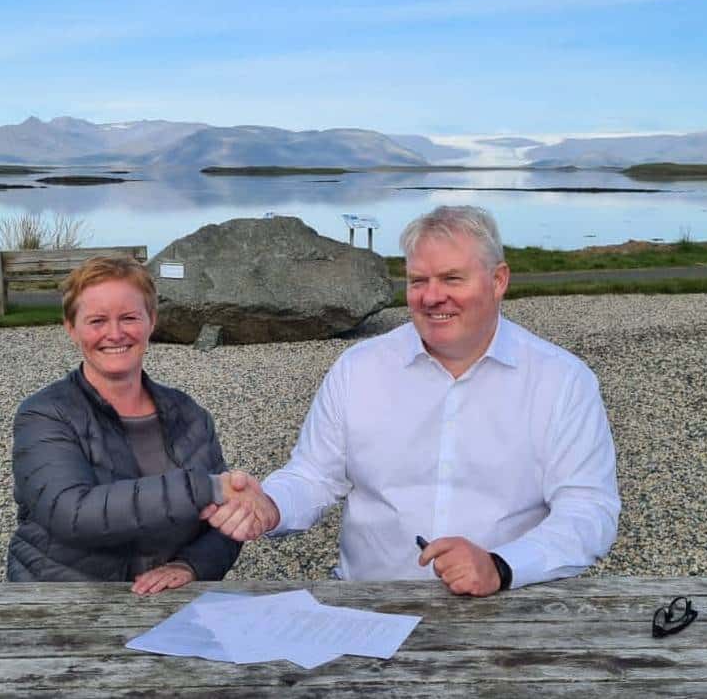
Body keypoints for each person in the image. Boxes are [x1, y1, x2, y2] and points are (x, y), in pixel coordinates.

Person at [203, 205, 620, 596]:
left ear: (498, 281)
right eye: (418, 280)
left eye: (452, 279)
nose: (431, 296)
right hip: (371, 604)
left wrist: (502, 565)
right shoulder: (358, 369)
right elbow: (313, 476)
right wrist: (271, 504)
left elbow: (589, 511)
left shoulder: (562, 380)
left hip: (507, 604)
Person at [7, 256, 240, 594]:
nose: (115, 334)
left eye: (129, 317)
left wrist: (192, 565)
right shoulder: (44, 415)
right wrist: (206, 488)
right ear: (71, 328)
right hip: (63, 603)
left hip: (164, 605)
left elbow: (225, 519)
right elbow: (72, 512)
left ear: (152, 321)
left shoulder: (190, 415)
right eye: (97, 320)